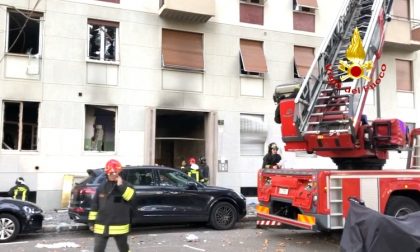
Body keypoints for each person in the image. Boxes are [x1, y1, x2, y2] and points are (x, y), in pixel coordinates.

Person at [88, 159, 135, 252]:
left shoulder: (127, 186)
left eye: (115, 173)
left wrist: (121, 185)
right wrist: (91, 222)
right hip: (102, 226)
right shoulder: (102, 187)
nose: (113, 175)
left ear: (119, 172)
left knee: (124, 249)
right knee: (98, 249)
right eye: (111, 173)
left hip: (119, 227)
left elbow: (130, 197)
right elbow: (95, 205)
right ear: (107, 173)